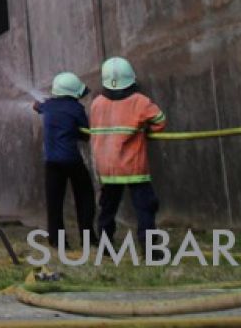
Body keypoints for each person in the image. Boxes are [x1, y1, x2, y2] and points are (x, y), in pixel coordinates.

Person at [89, 56, 167, 247]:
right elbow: (160, 120)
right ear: (131, 78)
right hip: (133, 168)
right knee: (145, 208)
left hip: (108, 169)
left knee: (107, 208)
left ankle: (106, 244)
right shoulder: (140, 102)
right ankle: (149, 247)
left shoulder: (97, 103)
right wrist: (147, 130)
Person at [33, 72, 95, 249]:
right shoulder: (76, 109)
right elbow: (85, 135)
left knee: (54, 204)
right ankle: (89, 238)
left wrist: (38, 106)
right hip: (72, 161)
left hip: (51, 162)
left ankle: (57, 242)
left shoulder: (48, 106)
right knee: (85, 197)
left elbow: (38, 107)